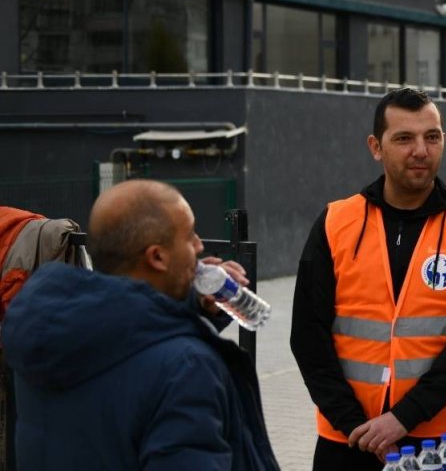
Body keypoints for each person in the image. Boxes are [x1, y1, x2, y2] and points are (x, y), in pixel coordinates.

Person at [291, 87, 446, 470]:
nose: (421, 150)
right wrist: (355, 424)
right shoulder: (336, 222)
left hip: (439, 443)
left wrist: (402, 418)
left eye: (432, 137)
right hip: (348, 440)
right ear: (376, 147)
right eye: (404, 138)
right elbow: (308, 337)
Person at [1, 180, 279, 470]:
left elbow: (125, 343)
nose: (199, 245)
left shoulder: (49, 332)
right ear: (157, 256)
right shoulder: (186, 368)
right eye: (189, 236)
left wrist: (191, 304)